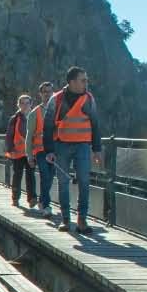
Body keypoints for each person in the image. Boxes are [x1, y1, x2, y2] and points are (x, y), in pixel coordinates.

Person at [43, 66, 102, 233]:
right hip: (61, 145)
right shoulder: (56, 99)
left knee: (84, 181)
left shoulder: (89, 99)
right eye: (83, 80)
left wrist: (97, 150)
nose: (86, 83)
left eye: (86, 80)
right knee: (63, 182)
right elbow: (47, 127)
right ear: (72, 82)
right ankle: (66, 220)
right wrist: (49, 150)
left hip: (83, 146)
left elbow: (95, 124)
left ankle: (82, 220)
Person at [26, 81, 56, 219]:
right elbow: (29, 136)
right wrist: (29, 156)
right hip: (40, 150)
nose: (48, 94)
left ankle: (43, 201)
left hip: (55, 150)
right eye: (45, 91)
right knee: (45, 175)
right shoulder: (35, 113)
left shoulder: (58, 110)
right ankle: (46, 205)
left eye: (50, 91)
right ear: (40, 94)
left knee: (50, 177)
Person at [4, 95, 36, 207]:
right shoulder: (14, 119)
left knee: (30, 175)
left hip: (31, 152)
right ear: (19, 105)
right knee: (17, 175)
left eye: (27, 103)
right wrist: (10, 149)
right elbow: (9, 135)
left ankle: (32, 198)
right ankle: (15, 198)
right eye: (22, 103)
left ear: (31, 104)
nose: (25, 105)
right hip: (17, 152)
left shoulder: (35, 116)